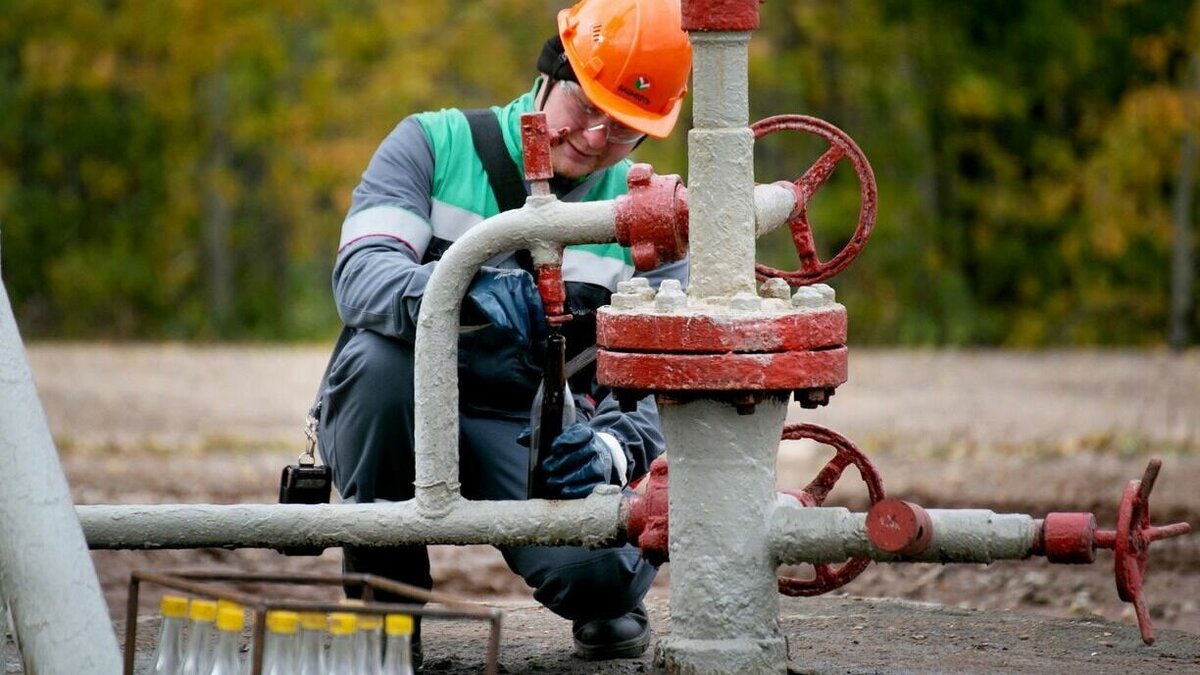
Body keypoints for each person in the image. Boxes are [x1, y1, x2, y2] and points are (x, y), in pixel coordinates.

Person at [313, 0, 692, 665]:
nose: (598, 138)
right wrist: (461, 289)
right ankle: (384, 609)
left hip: (531, 423)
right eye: (587, 105)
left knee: (601, 574)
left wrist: (611, 449)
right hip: (404, 400)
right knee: (375, 365)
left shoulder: (647, 220)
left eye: (626, 127)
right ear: (552, 68)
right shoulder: (433, 145)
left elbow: (665, 385)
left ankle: (608, 595)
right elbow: (361, 275)